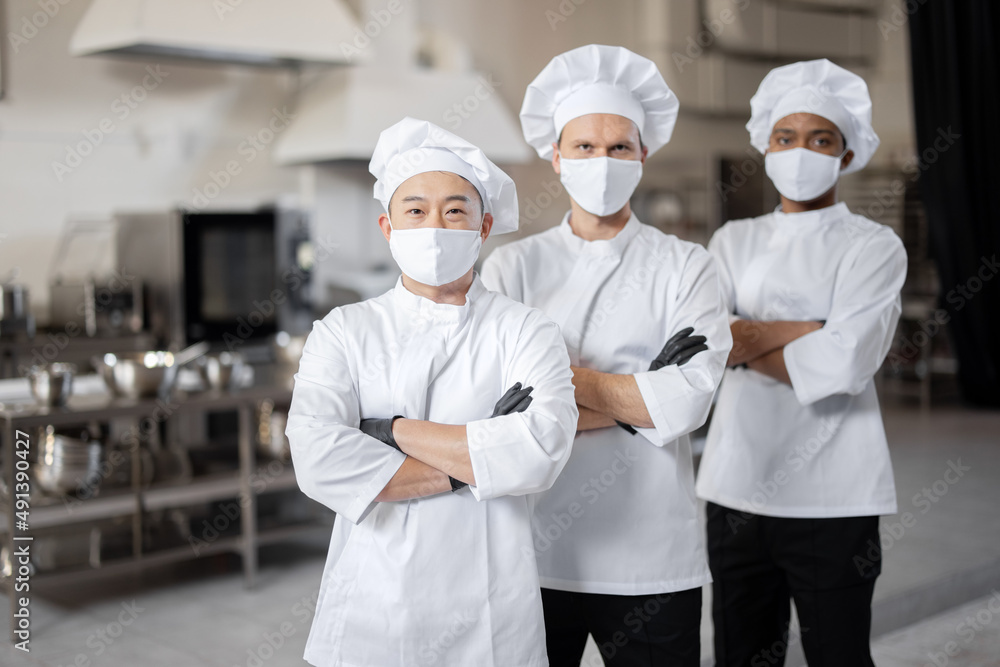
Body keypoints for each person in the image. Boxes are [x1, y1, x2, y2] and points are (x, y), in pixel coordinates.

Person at [286, 117, 579, 667]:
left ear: (484, 225)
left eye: (455, 210)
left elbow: (539, 453)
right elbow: (317, 457)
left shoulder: (525, 330)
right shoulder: (344, 330)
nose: (435, 226)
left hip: (490, 609)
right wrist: (477, 460)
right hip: (374, 604)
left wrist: (391, 433)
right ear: (387, 225)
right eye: (415, 210)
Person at [481, 45, 732, 666]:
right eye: (585, 147)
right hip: (532, 549)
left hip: (652, 555)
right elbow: (494, 414)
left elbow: (689, 401)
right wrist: (641, 392)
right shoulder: (513, 266)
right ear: (556, 157)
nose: (603, 161)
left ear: (644, 155)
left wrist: (555, 394)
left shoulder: (688, 266)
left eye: (620, 146)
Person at [695, 59, 907, 666]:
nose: (800, 151)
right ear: (766, 145)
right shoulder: (733, 241)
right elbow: (709, 342)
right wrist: (812, 331)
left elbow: (843, 366)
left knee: (838, 653)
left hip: (834, 493)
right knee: (743, 653)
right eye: (786, 137)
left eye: (820, 139)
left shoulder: (873, 246)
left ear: (845, 154)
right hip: (737, 484)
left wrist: (745, 339)